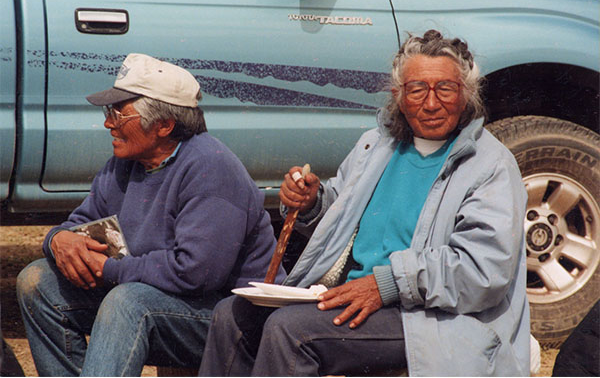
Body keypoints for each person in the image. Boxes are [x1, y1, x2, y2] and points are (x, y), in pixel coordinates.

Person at [198, 30, 530, 376]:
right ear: (398, 96)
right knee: (232, 316)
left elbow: (482, 272)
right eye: (417, 89)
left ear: (466, 95)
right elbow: (341, 211)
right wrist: (312, 203)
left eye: (445, 89)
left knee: (291, 331)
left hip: (432, 317)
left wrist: (387, 284)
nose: (431, 103)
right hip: (357, 296)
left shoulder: (490, 165)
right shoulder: (377, 145)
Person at [16, 53, 285, 376]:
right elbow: (81, 225)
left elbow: (196, 273)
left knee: (128, 302)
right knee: (37, 281)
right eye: (109, 112)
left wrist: (112, 270)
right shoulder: (125, 163)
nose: (108, 123)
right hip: (162, 300)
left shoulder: (209, 166)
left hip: (229, 317)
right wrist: (58, 239)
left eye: (119, 114)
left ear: (164, 125)